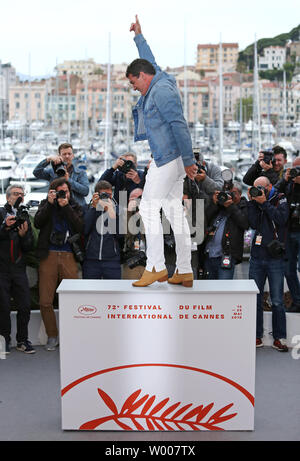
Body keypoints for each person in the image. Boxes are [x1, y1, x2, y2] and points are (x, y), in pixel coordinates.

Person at [126, 15, 198, 287]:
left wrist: (190, 161)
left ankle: (156, 266)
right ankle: (184, 269)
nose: (134, 88)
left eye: (134, 82)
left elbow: (179, 125)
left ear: (143, 77)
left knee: (146, 207)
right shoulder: (157, 76)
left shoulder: (161, 92)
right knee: (173, 210)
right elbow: (148, 58)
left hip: (168, 158)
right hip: (174, 159)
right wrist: (138, 36)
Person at [34, 178, 84, 351]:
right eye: (60, 191)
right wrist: (49, 204)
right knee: (45, 300)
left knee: (74, 298)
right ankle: (52, 335)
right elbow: (37, 223)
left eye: (67, 191)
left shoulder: (75, 206)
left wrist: (66, 206)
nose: (64, 194)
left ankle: (73, 335)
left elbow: (80, 226)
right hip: (48, 254)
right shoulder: (45, 204)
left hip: (69, 254)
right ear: (52, 192)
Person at [247, 176, 289, 352]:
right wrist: (252, 203)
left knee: (277, 300)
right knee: (255, 299)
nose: (258, 191)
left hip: (274, 257)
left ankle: (279, 337)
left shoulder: (280, 199)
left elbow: (281, 219)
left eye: (261, 188)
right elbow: (252, 223)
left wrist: (265, 203)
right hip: (257, 256)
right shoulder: (255, 201)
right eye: (255, 188)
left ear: (269, 187)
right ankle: (256, 335)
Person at [0, 184, 35, 354]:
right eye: (15, 194)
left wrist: (23, 236)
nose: (19, 196)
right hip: (2, 269)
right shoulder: (1, 213)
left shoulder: (25, 216)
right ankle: (4, 341)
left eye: (22, 194)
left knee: (24, 306)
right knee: (3, 307)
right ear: (8, 197)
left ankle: (22, 340)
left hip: (19, 268)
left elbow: (30, 246)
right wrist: (5, 227)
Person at [204, 181, 249, 280]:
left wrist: (231, 206)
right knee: (209, 291)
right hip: (210, 255)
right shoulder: (219, 206)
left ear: (239, 194)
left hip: (226, 256)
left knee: (224, 290)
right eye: (227, 192)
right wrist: (214, 203)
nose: (229, 195)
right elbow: (205, 220)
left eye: (233, 193)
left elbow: (244, 223)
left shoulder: (243, 206)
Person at [275, 156, 300, 312]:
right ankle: (297, 300)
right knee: (288, 269)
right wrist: (285, 180)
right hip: (289, 230)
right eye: (295, 168)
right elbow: (274, 192)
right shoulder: (288, 183)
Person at [82, 180, 121, 280]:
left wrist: (111, 212)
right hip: (91, 260)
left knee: (114, 293)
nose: (107, 197)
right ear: (96, 194)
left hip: (112, 260)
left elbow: (120, 235)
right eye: (104, 195)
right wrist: (94, 208)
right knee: (90, 293)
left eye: (109, 195)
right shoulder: (88, 208)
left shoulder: (118, 210)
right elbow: (84, 230)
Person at [33, 142, 89, 207]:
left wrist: (68, 180)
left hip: (76, 209)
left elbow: (85, 191)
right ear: (59, 156)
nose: (67, 156)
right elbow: (36, 172)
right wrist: (48, 159)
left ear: (73, 156)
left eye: (69, 154)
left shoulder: (80, 173)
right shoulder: (53, 172)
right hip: (57, 209)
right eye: (64, 154)